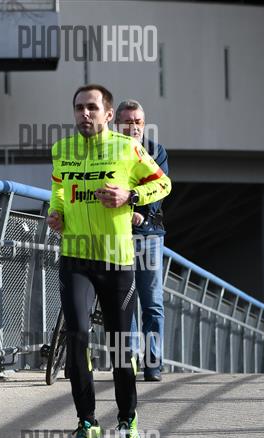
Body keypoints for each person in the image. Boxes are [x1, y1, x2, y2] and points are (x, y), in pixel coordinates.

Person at [46, 84, 171, 438]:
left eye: (92, 108)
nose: (84, 114)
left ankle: (127, 420)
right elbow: (58, 189)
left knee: (119, 346)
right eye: (78, 108)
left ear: (108, 114)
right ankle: (86, 422)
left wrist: (130, 196)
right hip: (75, 257)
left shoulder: (127, 148)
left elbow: (163, 183)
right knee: (77, 337)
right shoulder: (62, 150)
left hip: (116, 259)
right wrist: (56, 213)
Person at [114, 99, 169, 382]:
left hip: (148, 235)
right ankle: (132, 358)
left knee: (152, 302)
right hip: (117, 235)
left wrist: (140, 213)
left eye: (138, 122)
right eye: (128, 122)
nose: (133, 127)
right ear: (117, 125)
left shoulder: (156, 151)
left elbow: (159, 188)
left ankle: (153, 362)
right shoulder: (108, 152)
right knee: (125, 300)